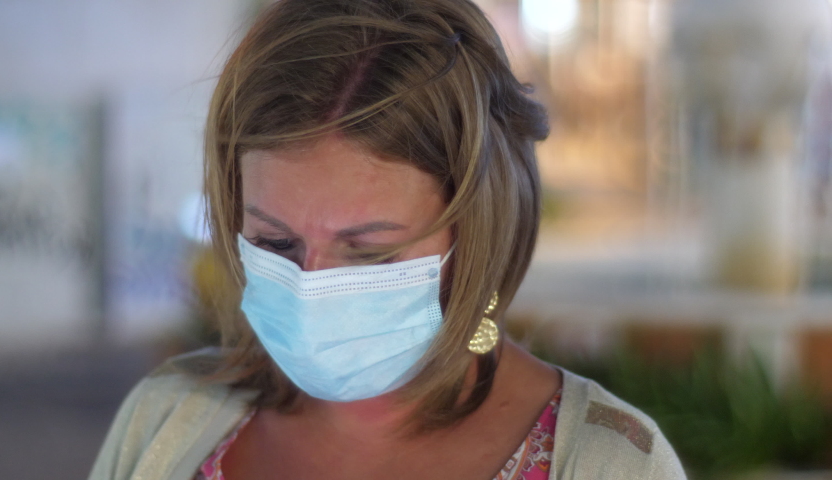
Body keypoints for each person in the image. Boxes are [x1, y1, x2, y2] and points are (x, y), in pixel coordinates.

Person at [89, 0, 687, 479]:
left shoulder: (607, 464)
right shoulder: (164, 420)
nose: (311, 286)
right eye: (276, 243)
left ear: (476, 233)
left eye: (370, 253)